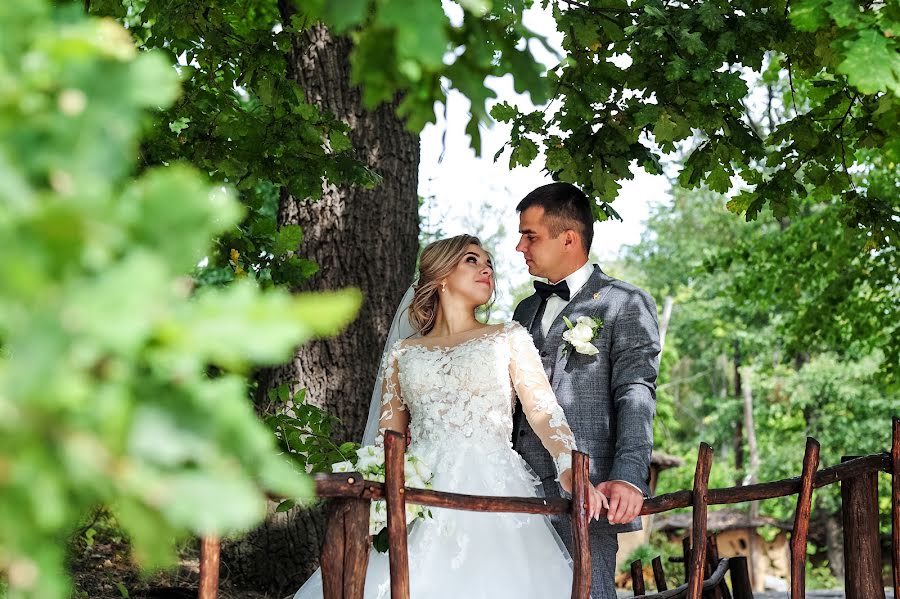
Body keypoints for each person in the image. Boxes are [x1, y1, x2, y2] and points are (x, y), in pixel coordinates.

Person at [293, 234, 608, 599]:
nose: (486, 268)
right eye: (472, 260)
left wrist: (570, 468)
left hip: (492, 485)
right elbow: (387, 438)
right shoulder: (403, 353)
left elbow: (542, 410)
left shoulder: (507, 336)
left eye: (488, 262)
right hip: (415, 488)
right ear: (441, 275)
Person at [512, 182, 661, 599]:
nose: (520, 246)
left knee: (589, 592)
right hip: (517, 486)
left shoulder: (626, 303)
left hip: (589, 491)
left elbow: (636, 391)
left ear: (569, 238)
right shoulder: (525, 310)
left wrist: (629, 478)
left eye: (530, 235)